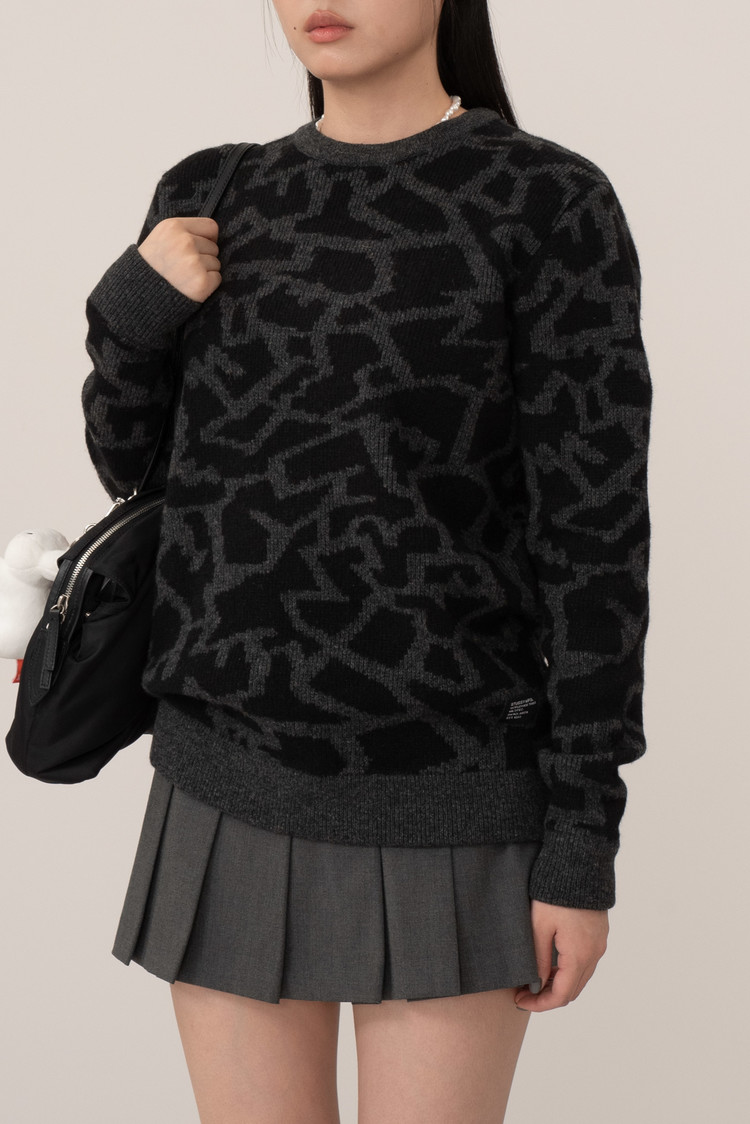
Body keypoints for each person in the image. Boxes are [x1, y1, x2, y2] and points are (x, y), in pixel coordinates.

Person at [81, 1, 652, 1121]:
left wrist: (583, 838)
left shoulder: (547, 201)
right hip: (222, 780)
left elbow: (595, 543)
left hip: (454, 794)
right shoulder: (212, 194)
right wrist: (132, 310)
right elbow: (134, 472)